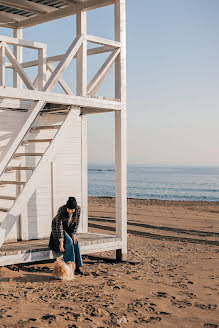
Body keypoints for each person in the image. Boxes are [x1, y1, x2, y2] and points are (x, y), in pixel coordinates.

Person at [49, 197, 83, 275]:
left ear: (74, 209)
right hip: (58, 230)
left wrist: (74, 234)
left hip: (69, 229)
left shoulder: (78, 209)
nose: (69, 211)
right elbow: (59, 226)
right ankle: (69, 265)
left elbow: (76, 223)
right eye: (68, 209)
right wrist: (61, 241)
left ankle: (77, 266)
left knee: (76, 242)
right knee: (69, 242)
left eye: (71, 209)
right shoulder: (61, 209)